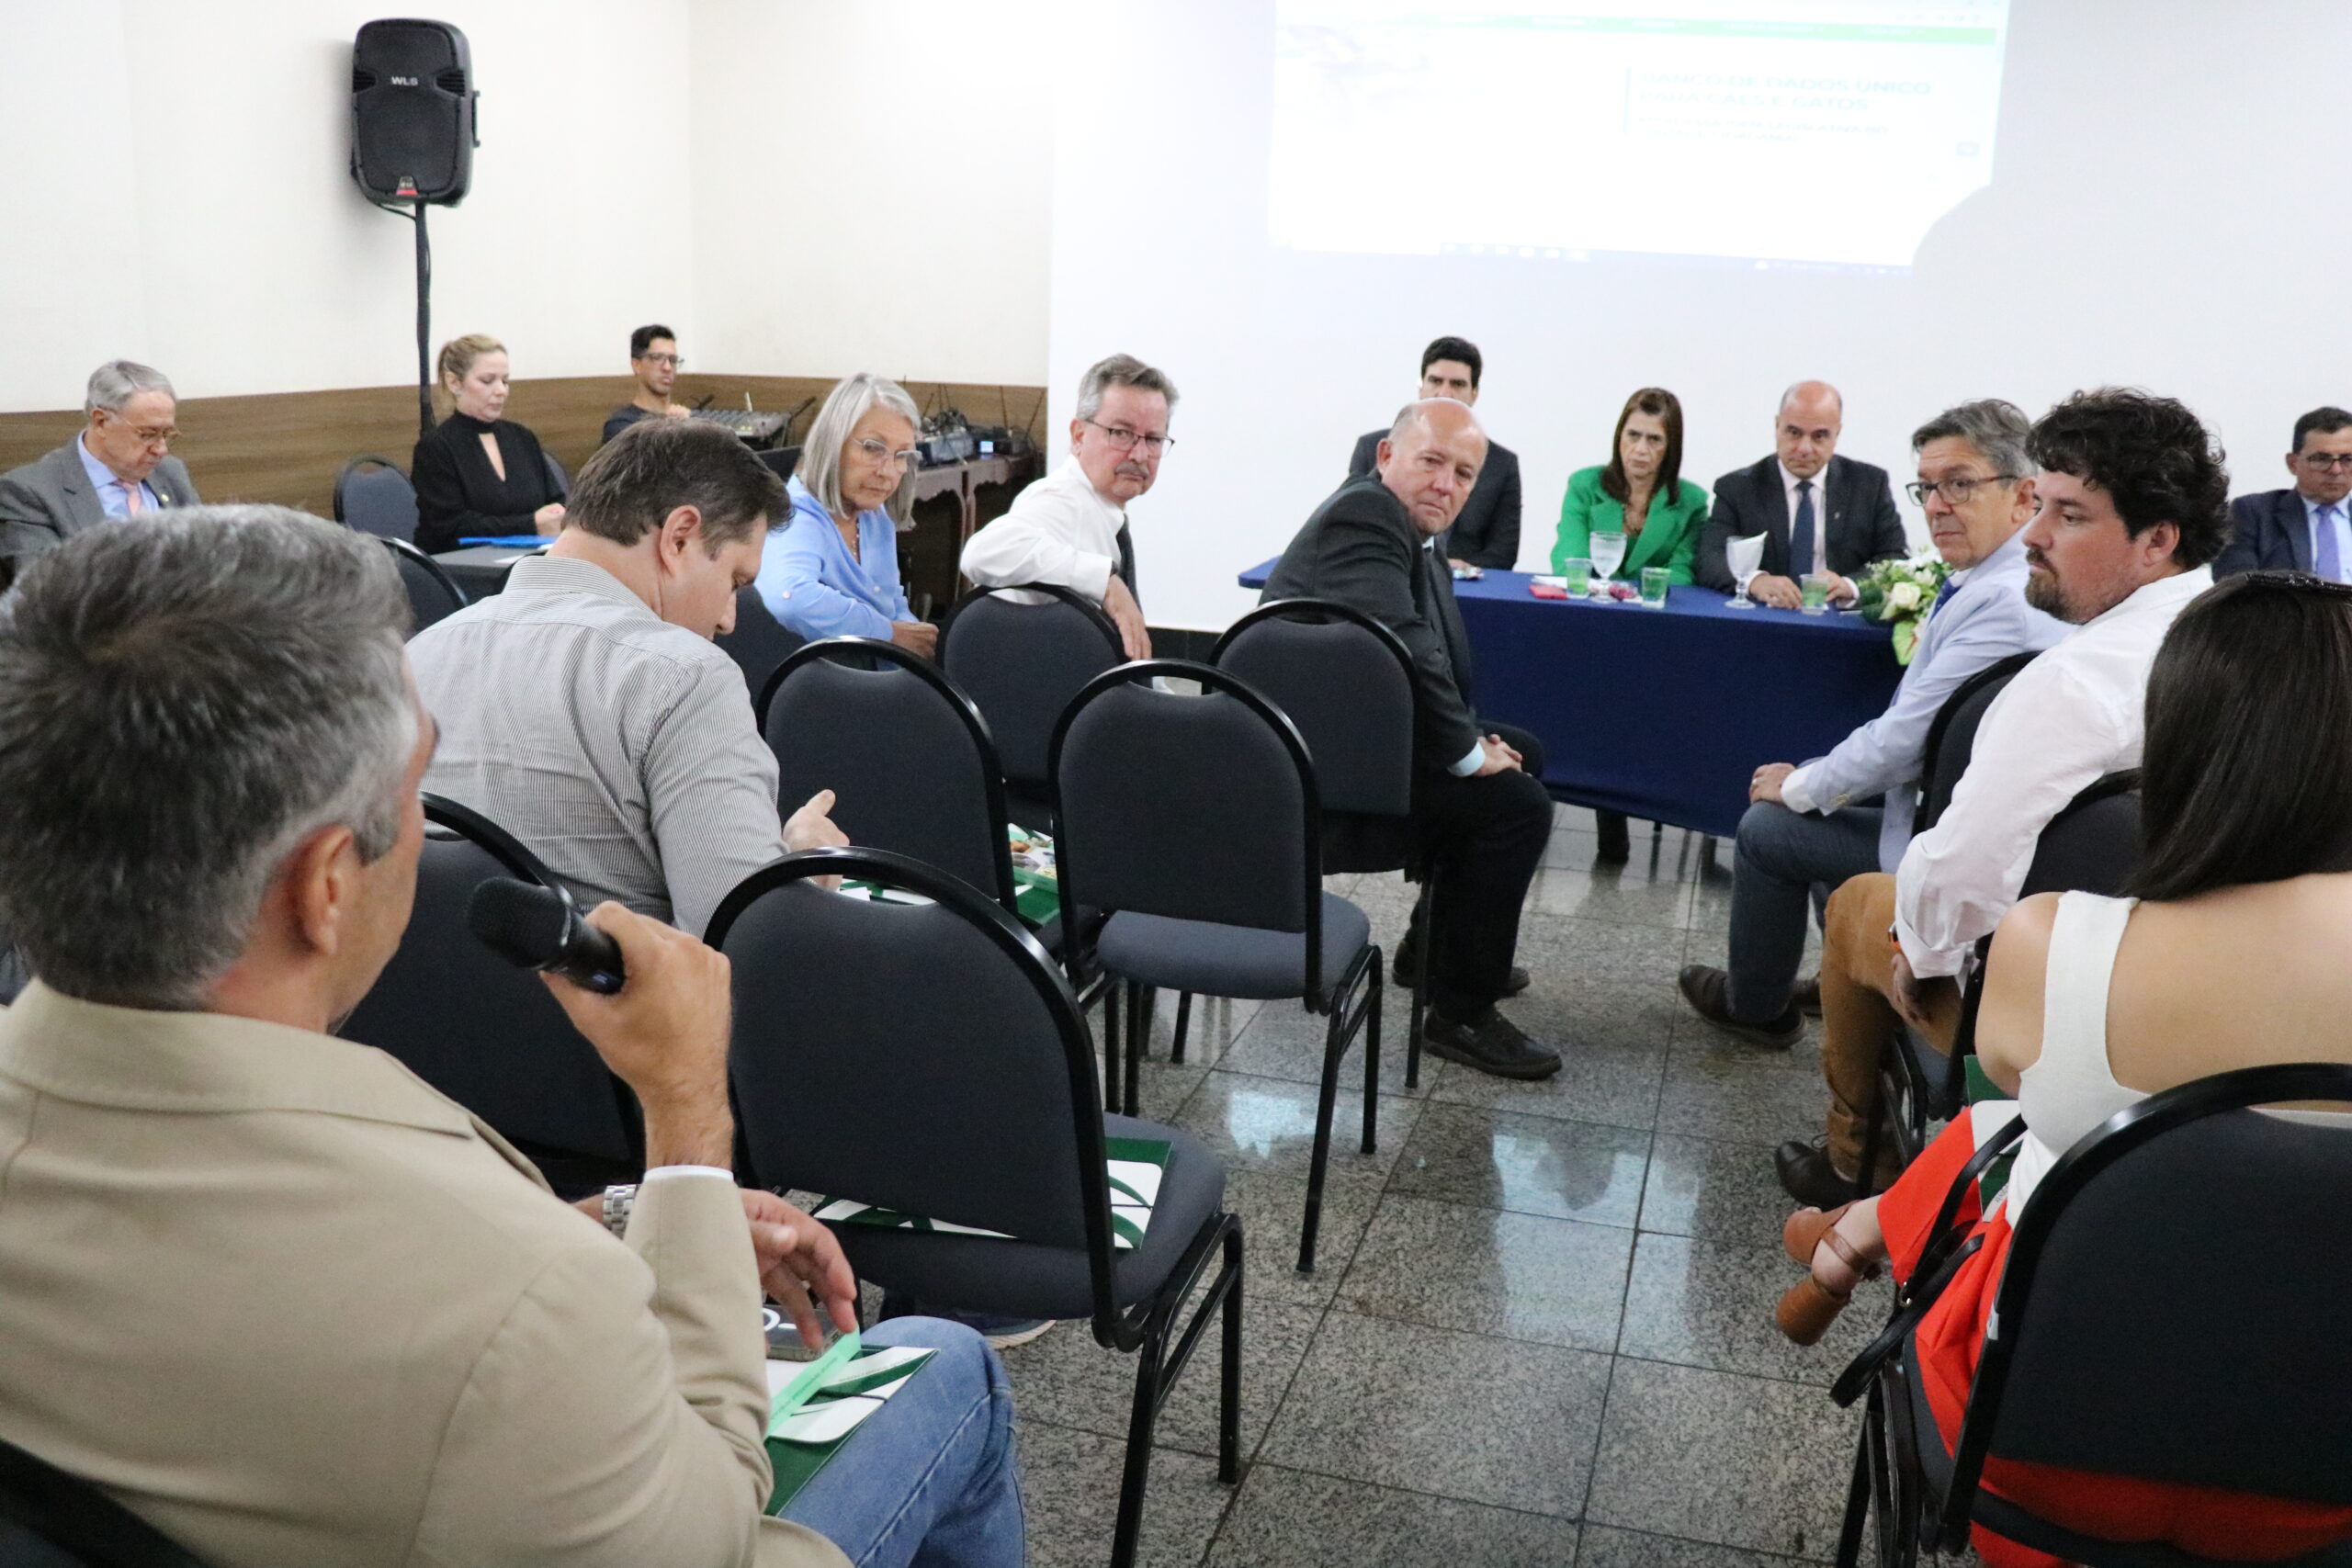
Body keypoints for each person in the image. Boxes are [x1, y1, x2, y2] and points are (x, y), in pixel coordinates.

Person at [0, 506, 1023, 1568]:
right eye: (418, 795)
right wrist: (685, 1130)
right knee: (947, 1363)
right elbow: (711, 1529)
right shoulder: (517, 1307)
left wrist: (626, 1219)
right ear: (326, 887)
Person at [1771, 572, 2352, 1568]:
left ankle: (1854, 1233)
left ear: (2181, 739)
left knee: (2026, 1133)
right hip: (2322, 1498)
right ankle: (1852, 1233)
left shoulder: (2055, 944)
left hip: (2028, 1453)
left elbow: (2009, 1099)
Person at [1775, 388, 2228, 1206]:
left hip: (2053, 1015)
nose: (2037, 534)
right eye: (2038, 506)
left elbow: (1963, 873)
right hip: (2201, 1015)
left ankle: (1855, 1159)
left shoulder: (2073, 682)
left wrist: (1923, 949)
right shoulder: (2240, 637)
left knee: (1855, 907)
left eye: (2070, 515)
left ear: (2157, 538)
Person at [1679, 400, 2067, 1047]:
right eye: (1929, 487)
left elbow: (1903, 744)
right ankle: (1847, 973)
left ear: (2024, 494)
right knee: (1821, 794)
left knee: (1769, 826)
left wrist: (1800, 784)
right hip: (1943, 813)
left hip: (1949, 842)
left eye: (1960, 484)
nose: (1937, 504)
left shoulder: (2005, 604)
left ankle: (1756, 1007)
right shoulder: (1998, 576)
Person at [410, 418, 845, 941]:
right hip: (613, 1018)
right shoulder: (686, 681)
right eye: (735, 580)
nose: (730, 618)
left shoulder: (412, 660)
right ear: (679, 538)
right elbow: (746, 944)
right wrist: (801, 869)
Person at [1264, 399, 1561, 1080]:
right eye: (1431, 461)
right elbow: (1405, 645)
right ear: (1387, 457)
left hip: (1360, 736)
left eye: (1464, 473)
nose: (1447, 484)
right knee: (1515, 805)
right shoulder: (1364, 514)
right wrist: (1466, 751)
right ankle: (1460, 1011)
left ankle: (1433, 951)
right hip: (1316, 771)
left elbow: (1433, 662)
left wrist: (1476, 739)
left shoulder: (1418, 533)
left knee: (1523, 754)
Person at [959, 353, 1173, 660]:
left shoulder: (1103, 511)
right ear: (1079, 436)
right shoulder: (1058, 501)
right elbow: (981, 553)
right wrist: (1104, 581)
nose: (1139, 455)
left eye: (1153, 439)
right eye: (1121, 433)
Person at [755, 373, 934, 657]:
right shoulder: (794, 515)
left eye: (901, 456)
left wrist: (917, 646)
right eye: (873, 448)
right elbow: (790, 598)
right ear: (833, 443)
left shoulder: (875, 516)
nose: (887, 472)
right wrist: (889, 634)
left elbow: (893, 604)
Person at [1693, 380, 1905, 608]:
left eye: (1819, 436)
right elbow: (1709, 558)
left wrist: (1851, 585)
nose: (1804, 448)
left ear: (1837, 434)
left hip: (1837, 621)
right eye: (1794, 433)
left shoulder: (1869, 486)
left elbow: (1895, 558)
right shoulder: (1737, 488)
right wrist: (1757, 581)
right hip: (1764, 619)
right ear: (1777, 426)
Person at [0, 360, 198, 582]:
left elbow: (205, 558)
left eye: (167, 434)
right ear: (101, 421)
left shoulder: (170, 473)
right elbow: (44, 591)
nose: (161, 449)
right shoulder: (30, 493)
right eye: (147, 434)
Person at [1346, 336, 1521, 570]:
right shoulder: (1372, 447)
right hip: (1387, 567)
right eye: (1435, 381)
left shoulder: (1503, 464)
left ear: (1474, 393)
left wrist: (1449, 569)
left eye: (1457, 384)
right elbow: (1354, 526)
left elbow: (1503, 553)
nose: (1444, 392)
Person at [411, 333, 567, 555]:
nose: (501, 391)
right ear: (455, 382)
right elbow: (450, 527)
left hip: (529, 562)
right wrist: (530, 524)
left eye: (505, 381)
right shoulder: (436, 447)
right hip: (462, 567)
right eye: (487, 381)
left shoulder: (522, 437)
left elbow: (555, 502)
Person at [1550, 387, 1709, 584]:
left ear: (1671, 446)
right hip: (1590, 604)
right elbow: (1571, 560)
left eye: (1654, 439)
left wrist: (1631, 596)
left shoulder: (1693, 502)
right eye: (1633, 435)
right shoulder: (1584, 485)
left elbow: (1681, 574)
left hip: (1655, 609)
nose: (1641, 449)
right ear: (1619, 437)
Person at [2212, 405, 2352, 580]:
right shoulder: (2254, 514)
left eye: (2348, 459)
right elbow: (2236, 586)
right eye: (2321, 459)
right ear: (2293, 463)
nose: (2336, 470)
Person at [605, 322, 694, 445]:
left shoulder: (686, 419)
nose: (667, 367)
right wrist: (675, 430)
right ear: (636, 365)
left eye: (672, 360)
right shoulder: (622, 426)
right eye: (657, 358)